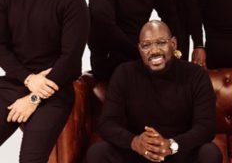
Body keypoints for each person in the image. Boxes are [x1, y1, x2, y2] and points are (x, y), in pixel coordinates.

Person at [0, 0, 89, 162]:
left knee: (30, 160)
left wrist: (34, 98)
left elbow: (71, 59)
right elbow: (1, 47)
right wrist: (28, 80)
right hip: (16, 82)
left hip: (54, 90)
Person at [86, 20, 221, 163]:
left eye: (161, 43)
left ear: (173, 44)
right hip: (139, 152)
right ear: (139, 49)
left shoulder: (196, 75)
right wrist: (135, 142)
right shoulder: (124, 73)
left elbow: (206, 127)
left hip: (178, 151)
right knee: (98, 152)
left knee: (209, 153)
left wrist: (171, 145)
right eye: (146, 45)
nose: (154, 51)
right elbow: (107, 123)